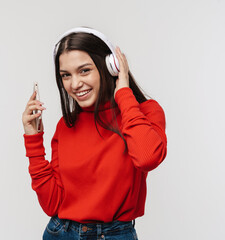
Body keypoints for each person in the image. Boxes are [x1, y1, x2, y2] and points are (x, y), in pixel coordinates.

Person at [22, 27, 167, 240]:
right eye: (66, 75)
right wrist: (33, 142)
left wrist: (124, 94)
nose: (75, 84)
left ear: (110, 67)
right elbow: (53, 204)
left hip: (115, 234)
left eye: (84, 70)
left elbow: (148, 158)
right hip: (61, 233)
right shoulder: (66, 125)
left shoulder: (144, 112)